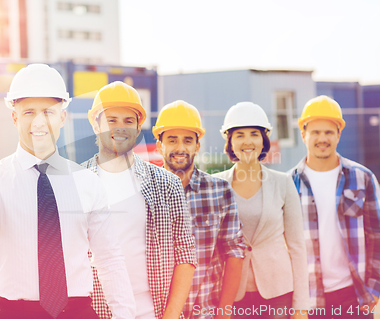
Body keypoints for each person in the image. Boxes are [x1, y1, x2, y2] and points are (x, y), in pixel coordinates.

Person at [0, 64, 135, 319]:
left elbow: (109, 258)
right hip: (16, 313)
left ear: (62, 118)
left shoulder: (87, 183)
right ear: (15, 117)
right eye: (29, 111)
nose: (39, 121)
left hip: (77, 312)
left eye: (48, 112)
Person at [81, 81, 197, 319]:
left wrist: (171, 316)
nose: (120, 128)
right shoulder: (75, 184)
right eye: (111, 120)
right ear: (96, 124)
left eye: (128, 121)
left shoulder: (167, 184)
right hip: (96, 313)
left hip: (154, 313)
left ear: (138, 127)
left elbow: (185, 253)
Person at [290, 96, 380, 319]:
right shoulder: (288, 185)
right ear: (303, 134)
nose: (322, 138)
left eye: (328, 132)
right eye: (315, 132)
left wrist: (374, 288)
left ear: (338, 135)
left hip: (354, 295)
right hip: (309, 300)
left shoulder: (363, 178)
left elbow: (377, 236)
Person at [213, 102, 309, 319]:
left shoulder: (283, 183)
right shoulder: (216, 186)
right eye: (239, 135)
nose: (247, 141)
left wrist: (301, 307)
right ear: (230, 141)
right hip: (231, 295)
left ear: (264, 140)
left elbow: (297, 247)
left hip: (278, 294)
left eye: (254, 134)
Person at [153, 100, 245, 319]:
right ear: (159, 146)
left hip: (205, 312)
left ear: (197, 146)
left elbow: (234, 251)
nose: (180, 148)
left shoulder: (220, 191)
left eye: (187, 140)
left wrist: (223, 314)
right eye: (172, 140)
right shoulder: (143, 190)